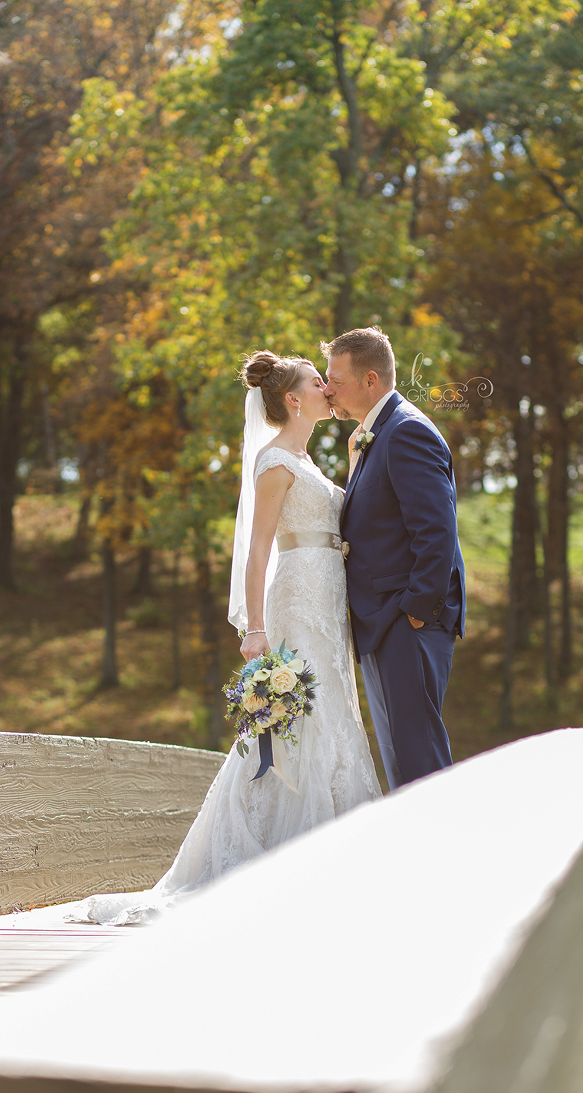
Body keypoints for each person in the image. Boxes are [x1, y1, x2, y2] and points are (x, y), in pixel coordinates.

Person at [68, 351, 380, 925]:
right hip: (297, 597)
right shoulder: (273, 462)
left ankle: (338, 850)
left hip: (328, 600)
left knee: (332, 711)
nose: (327, 389)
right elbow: (260, 547)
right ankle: (281, 855)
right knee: (301, 714)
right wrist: (255, 629)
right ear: (293, 399)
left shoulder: (306, 457)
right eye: (319, 383)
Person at [322, 326, 466, 792]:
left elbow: (436, 530)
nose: (328, 390)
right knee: (402, 763)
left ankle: (445, 857)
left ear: (370, 380)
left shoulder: (406, 432)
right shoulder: (375, 434)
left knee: (419, 758)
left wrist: (416, 612)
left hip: (405, 621)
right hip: (385, 620)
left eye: (335, 380)